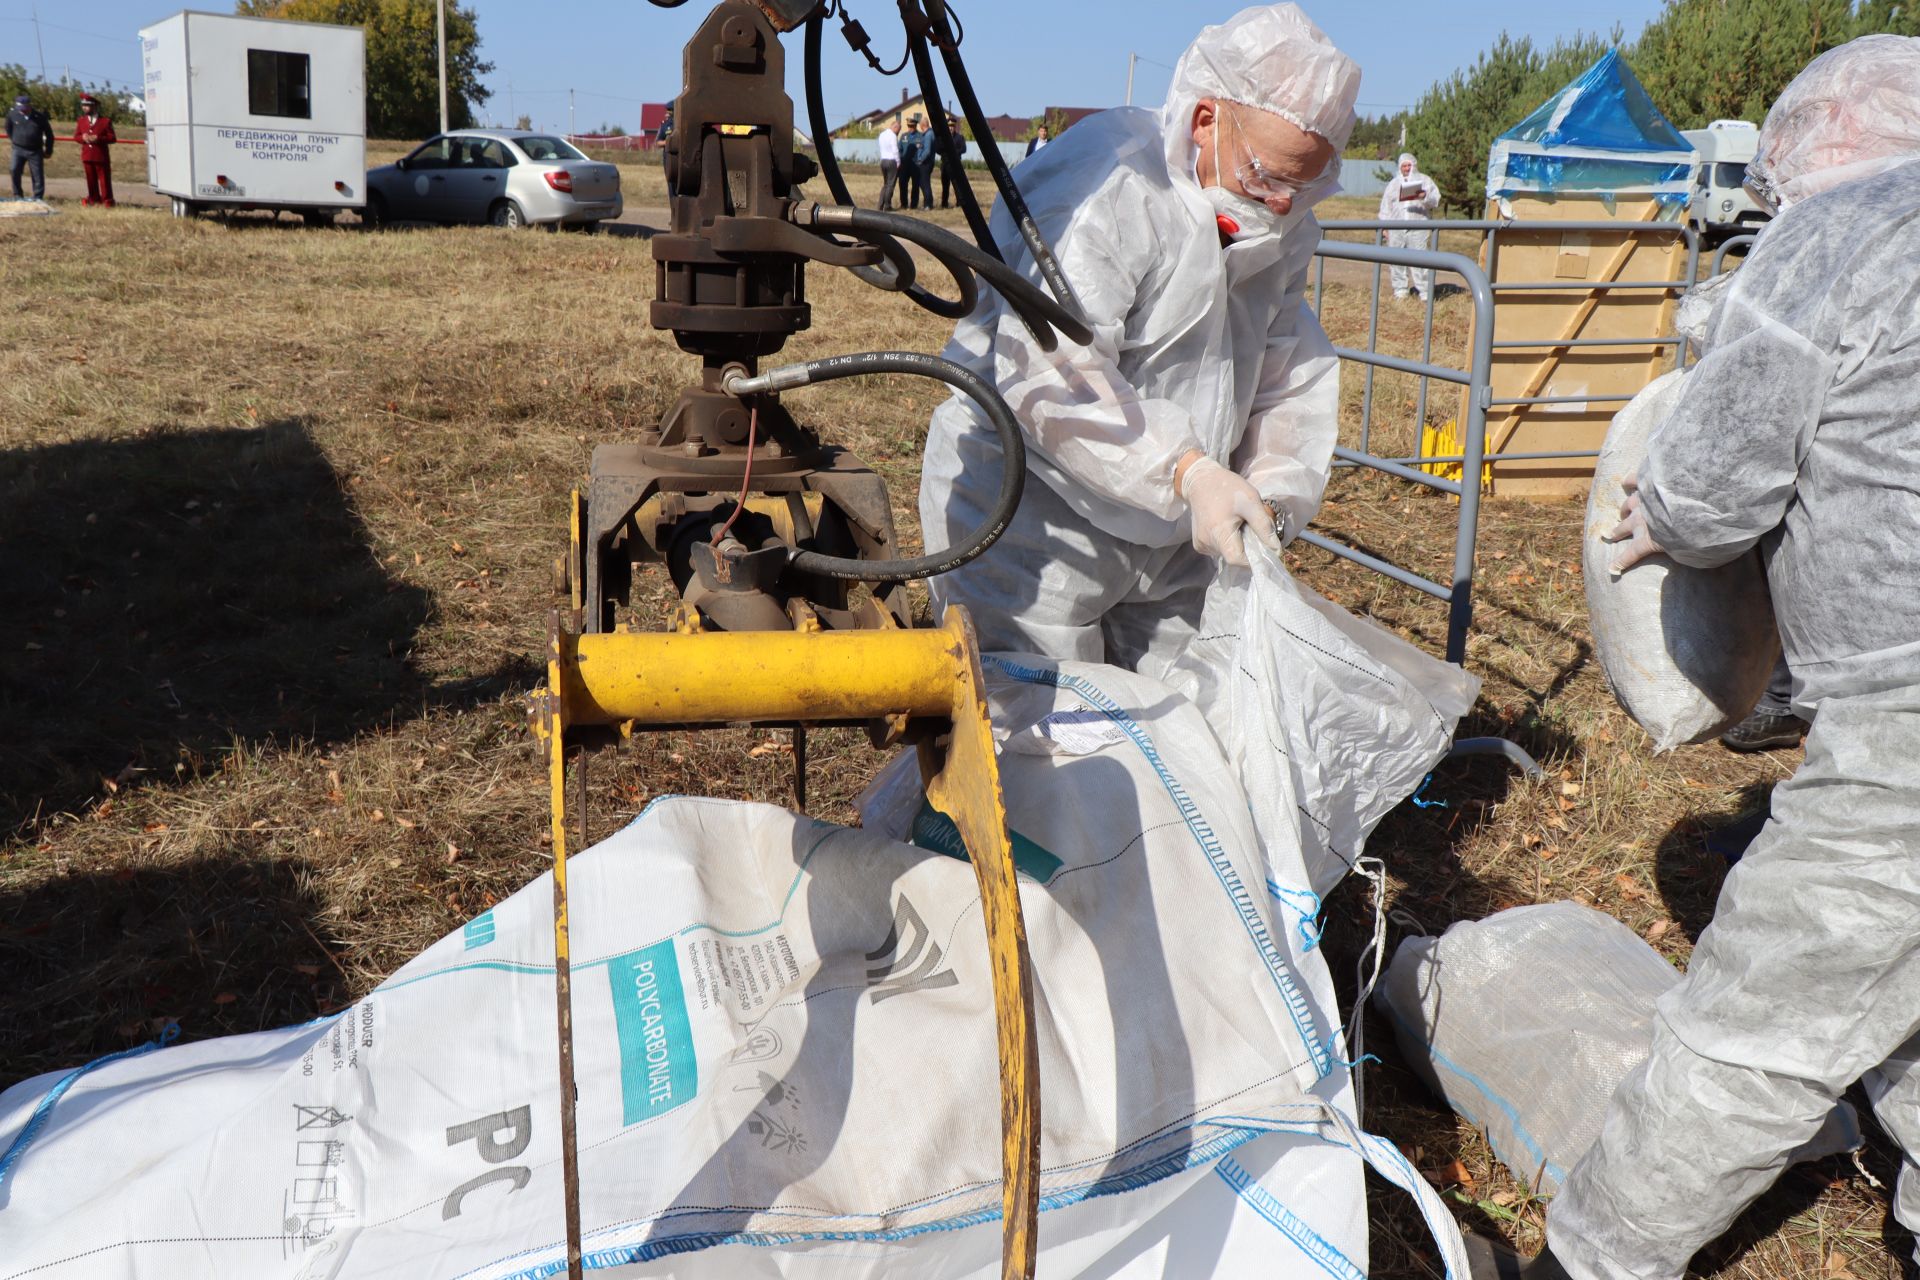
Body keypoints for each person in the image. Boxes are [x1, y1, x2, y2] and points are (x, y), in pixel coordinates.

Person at [1467, 33, 1920, 1280]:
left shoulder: (1848, 230)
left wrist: (1652, 515)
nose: (1769, 206)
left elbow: (1715, 490)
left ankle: (1593, 1264)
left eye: (1777, 184)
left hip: (1909, 721)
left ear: (1819, 147)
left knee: (1754, 1022)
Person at [918, 4, 1357, 675]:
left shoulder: (1282, 225)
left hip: (1176, 530)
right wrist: (1188, 471)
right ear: (1208, 118)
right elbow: (1052, 371)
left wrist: (1270, 489)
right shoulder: (1112, 185)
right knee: (1038, 735)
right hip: (1035, 512)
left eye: (1306, 184)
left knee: (1177, 733)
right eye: (1268, 174)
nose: (1280, 204)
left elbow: (1284, 367)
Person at [1378, 151, 1440, 298]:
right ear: (1400, 167)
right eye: (1404, 166)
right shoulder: (1393, 184)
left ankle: (1424, 291)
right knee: (1396, 259)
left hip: (1418, 227)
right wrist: (1384, 227)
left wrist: (1424, 196)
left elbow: (1435, 200)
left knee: (1420, 260)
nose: (1406, 168)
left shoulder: (1425, 181)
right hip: (1396, 228)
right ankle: (1400, 290)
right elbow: (1385, 206)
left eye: (1409, 165)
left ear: (1414, 165)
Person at [7, 92, 54, 202]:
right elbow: (9, 129)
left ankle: (38, 197)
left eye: (24, 107)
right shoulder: (12, 115)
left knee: (37, 174)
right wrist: (15, 140)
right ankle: (17, 194)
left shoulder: (40, 117)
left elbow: (49, 134)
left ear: (29, 105)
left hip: (35, 150)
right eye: (19, 107)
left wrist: (48, 150)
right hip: (18, 149)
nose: (22, 110)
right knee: (14, 170)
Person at [75, 94, 116, 208]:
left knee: (104, 180)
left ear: (94, 107)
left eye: (87, 105)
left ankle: (107, 200)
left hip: (100, 155)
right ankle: (93, 199)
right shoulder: (81, 121)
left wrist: (98, 138)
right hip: (87, 155)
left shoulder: (105, 121)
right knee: (90, 179)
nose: (84, 108)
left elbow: (112, 138)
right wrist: (82, 138)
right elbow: (76, 136)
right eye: (83, 105)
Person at [902, 116, 935, 210]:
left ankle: (922, 204)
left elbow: (927, 150)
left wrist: (920, 159)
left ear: (919, 125)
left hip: (920, 164)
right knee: (906, 185)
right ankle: (906, 204)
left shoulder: (925, 135)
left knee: (921, 184)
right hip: (907, 164)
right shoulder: (904, 136)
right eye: (909, 126)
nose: (910, 128)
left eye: (912, 126)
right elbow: (900, 148)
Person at [938, 113, 963, 208]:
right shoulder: (943, 138)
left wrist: (953, 152)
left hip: (956, 164)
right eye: (949, 126)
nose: (951, 128)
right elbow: (938, 148)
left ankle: (959, 203)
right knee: (945, 186)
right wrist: (945, 152)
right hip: (945, 164)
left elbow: (963, 149)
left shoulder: (959, 137)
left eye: (952, 126)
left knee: (957, 185)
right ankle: (944, 204)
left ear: (955, 127)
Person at [875, 119, 900, 211]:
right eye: (899, 129)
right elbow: (895, 150)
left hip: (883, 160)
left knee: (885, 184)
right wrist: (898, 162)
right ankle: (887, 205)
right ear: (895, 127)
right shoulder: (893, 136)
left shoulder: (882, 135)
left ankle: (880, 205)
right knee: (890, 184)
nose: (899, 132)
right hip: (891, 160)